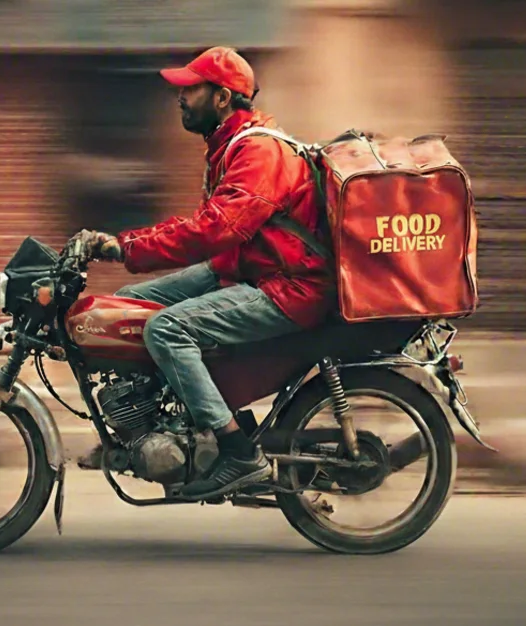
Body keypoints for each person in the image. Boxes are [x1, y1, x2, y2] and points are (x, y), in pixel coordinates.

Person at [73, 47, 334, 501]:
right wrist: (122, 243)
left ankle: (236, 451)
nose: (180, 97)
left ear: (223, 97)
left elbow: (216, 229)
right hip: (250, 271)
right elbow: (201, 224)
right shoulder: (230, 147)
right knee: (128, 303)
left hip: (290, 286)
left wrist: (126, 247)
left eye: (191, 88)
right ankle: (144, 428)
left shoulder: (258, 152)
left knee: (166, 329)